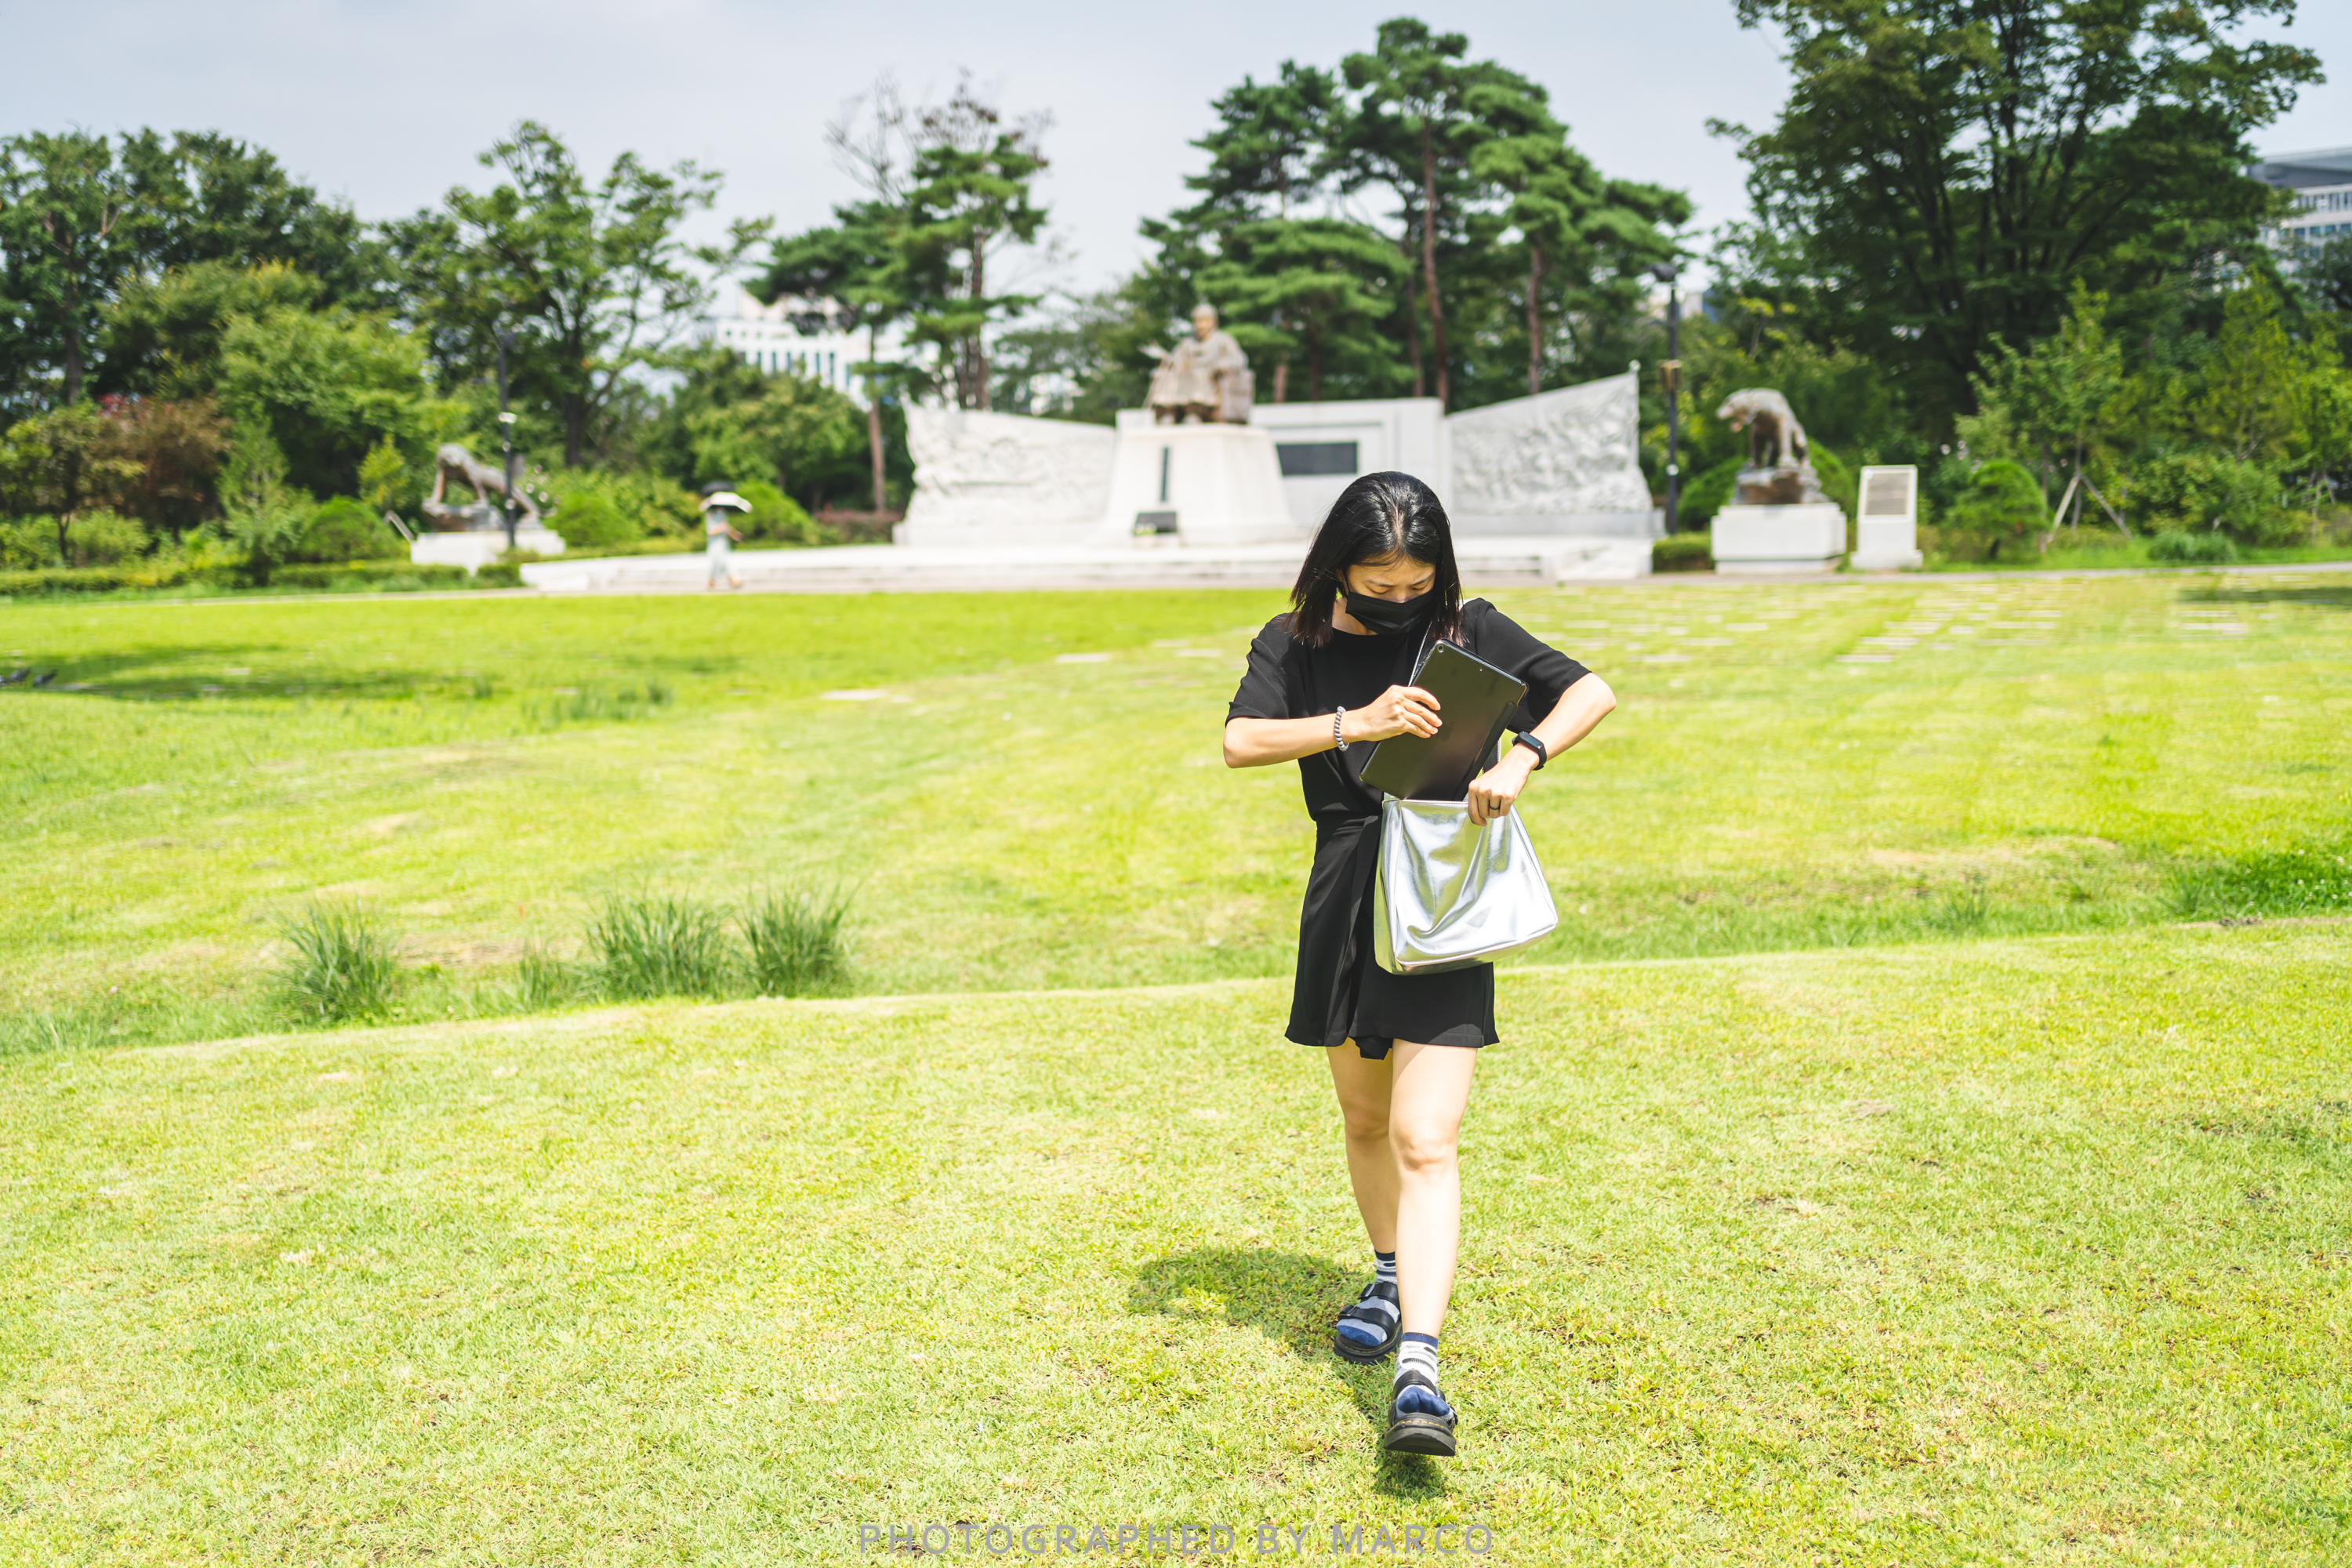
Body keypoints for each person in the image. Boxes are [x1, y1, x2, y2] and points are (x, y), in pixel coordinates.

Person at [1222, 472, 1616, 1458]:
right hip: (1347, 897)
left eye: (1416, 582)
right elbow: (1241, 740)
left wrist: (1521, 757)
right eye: (1379, 584)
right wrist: (1358, 721)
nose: (1400, 600)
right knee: (1365, 1120)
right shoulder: (1294, 642)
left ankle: (1419, 1370)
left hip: (1442, 897)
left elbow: (1591, 690)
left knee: (1425, 1136)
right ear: (1337, 568)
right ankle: (1390, 1271)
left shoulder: (1468, 627)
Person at [699, 482, 750, 590]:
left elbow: (727, 526)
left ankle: (734, 580)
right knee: (716, 563)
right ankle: (713, 582)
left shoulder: (723, 513)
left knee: (727, 561)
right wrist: (722, 528)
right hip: (714, 543)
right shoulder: (710, 514)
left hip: (723, 541)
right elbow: (710, 531)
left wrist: (734, 534)